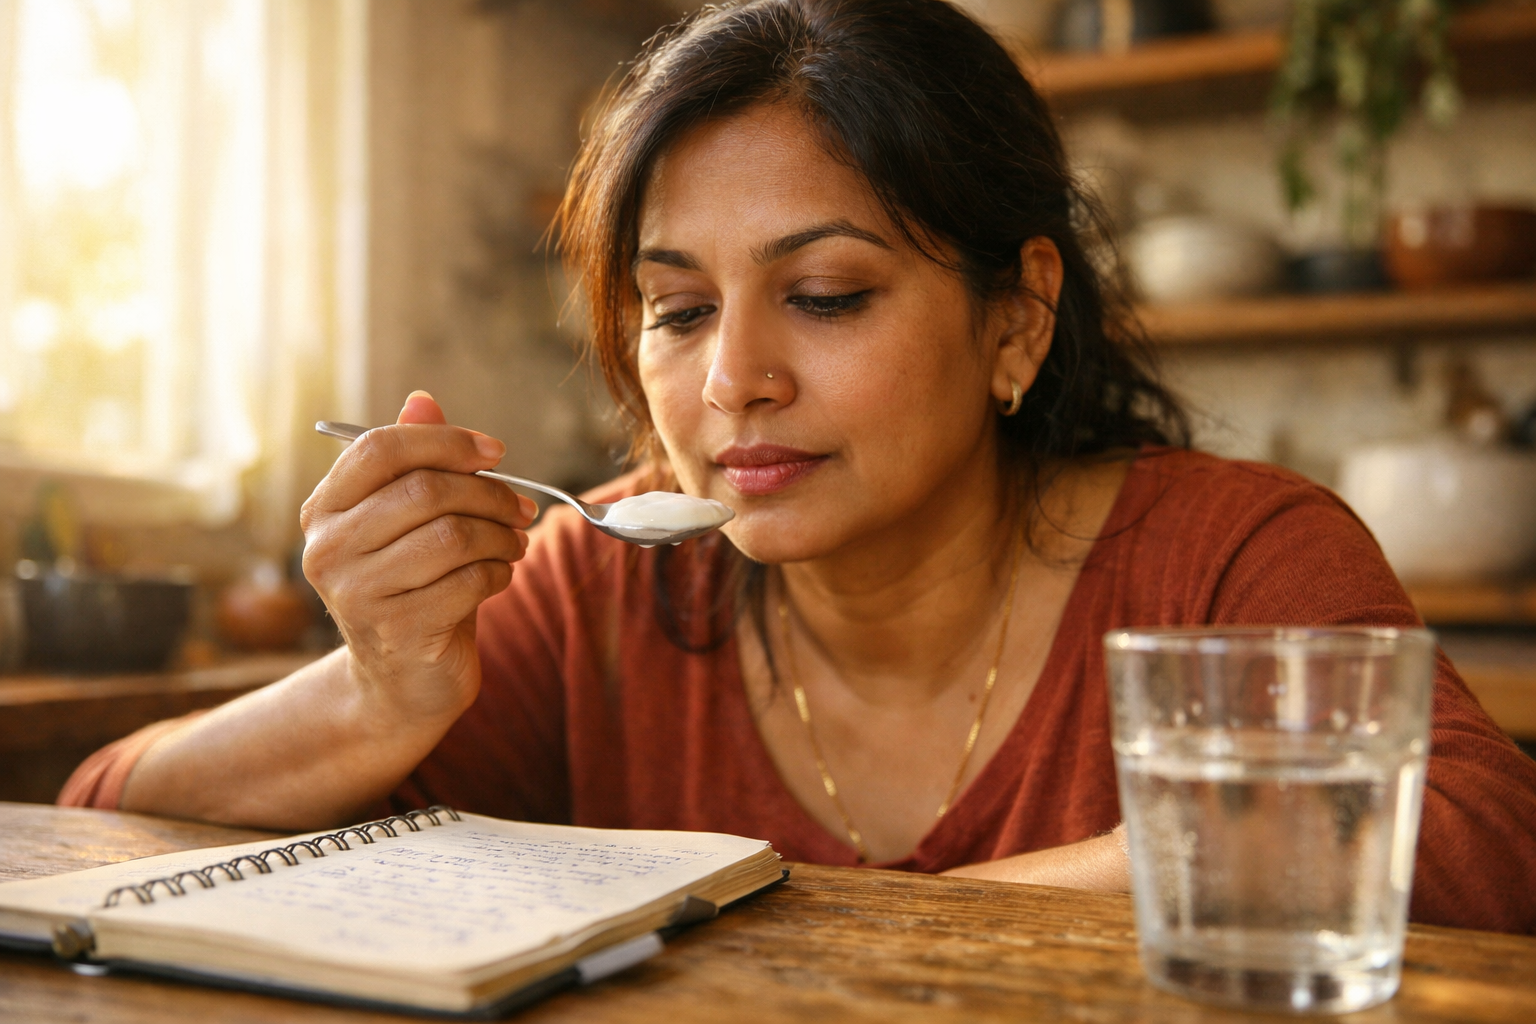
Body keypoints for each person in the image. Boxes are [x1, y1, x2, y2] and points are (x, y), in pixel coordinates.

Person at [62, 0, 1536, 933]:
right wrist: (382, 689)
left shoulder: (1223, 553)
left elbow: (1470, 844)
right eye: (680, 308)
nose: (732, 381)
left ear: (1016, 318)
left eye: (826, 295)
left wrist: (923, 920)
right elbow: (100, 823)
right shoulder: (602, 575)